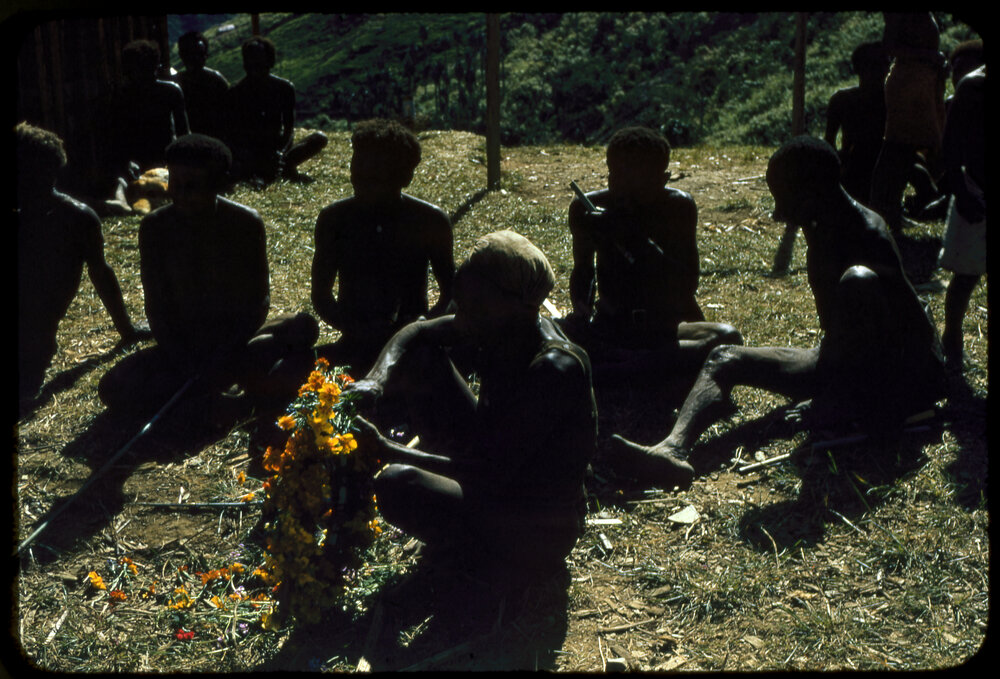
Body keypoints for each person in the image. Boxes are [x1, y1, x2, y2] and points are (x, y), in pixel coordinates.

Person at [611, 137, 947, 489]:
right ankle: (672, 449)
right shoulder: (821, 219)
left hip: (898, 377)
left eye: (782, 197)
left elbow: (901, 341)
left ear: (812, 190)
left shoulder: (865, 237)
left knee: (856, 282)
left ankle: (849, 402)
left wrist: (836, 401)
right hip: (841, 358)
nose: (776, 212)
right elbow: (843, 337)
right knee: (724, 357)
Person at [346, 231, 597, 574]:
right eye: (462, 305)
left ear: (512, 304)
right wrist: (376, 380)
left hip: (535, 529)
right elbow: (416, 332)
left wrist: (388, 451)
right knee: (422, 357)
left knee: (397, 484)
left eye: (473, 305)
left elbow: (490, 472)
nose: (461, 317)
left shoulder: (553, 369)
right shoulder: (498, 323)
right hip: (492, 470)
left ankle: (475, 560)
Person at [98, 134, 318, 416]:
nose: (182, 194)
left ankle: (214, 397)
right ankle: (220, 398)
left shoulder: (245, 223)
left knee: (302, 327)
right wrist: (183, 356)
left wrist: (225, 350)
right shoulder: (155, 227)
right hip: (183, 348)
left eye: (193, 186)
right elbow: (156, 305)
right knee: (112, 387)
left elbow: (258, 300)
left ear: (219, 184)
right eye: (176, 184)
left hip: (237, 342)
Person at [560, 126, 740, 389]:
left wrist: (632, 237)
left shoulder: (678, 208)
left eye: (640, 183)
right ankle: (642, 367)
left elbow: (686, 286)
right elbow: (583, 271)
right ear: (610, 173)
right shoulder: (587, 210)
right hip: (611, 328)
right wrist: (581, 308)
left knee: (727, 338)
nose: (627, 192)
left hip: (664, 330)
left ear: (662, 178)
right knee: (550, 333)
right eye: (618, 178)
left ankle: (620, 369)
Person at [17, 122, 150, 409]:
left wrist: (126, 330)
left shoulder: (77, 219)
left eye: (30, 177)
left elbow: (101, 274)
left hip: (34, 331)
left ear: (51, 173)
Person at [311, 119, 454, 375]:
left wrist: (418, 327)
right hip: (354, 342)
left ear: (404, 177)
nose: (360, 181)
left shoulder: (429, 221)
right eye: (357, 169)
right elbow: (321, 297)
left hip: (412, 345)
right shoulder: (335, 220)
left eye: (374, 177)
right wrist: (354, 328)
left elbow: (450, 295)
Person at [869, 12, 947, 234]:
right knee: (897, 148)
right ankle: (885, 216)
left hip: (920, 80)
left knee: (906, 152)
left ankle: (891, 213)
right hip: (908, 82)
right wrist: (929, 57)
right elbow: (890, 47)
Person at [226, 36, 327, 185]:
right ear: (245, 63)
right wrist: (250, 156)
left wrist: (281, 153)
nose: (255, 68)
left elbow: (289, 129)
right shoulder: (236, 92)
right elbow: (232, 135)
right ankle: (277, 170)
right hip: (250, 154)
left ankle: (280, 167)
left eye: (260, 62)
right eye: (251, 62)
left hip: (277, 149)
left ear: (269, 61)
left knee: (319, 138)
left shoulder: (284, 89)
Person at [938, 63, 985, 371]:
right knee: (967, 274)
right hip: (977, 189)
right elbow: (951, 148)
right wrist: (962, 192)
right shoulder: (972, 86)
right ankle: (952, 338)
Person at [107, 39, 189, 178]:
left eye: (149, 69)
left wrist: (182, 162)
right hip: (135, 164)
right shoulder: (122, 96)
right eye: (140, 69)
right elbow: (117, 137)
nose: (146, 75)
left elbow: (184, 133)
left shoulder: (171, 91)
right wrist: (125, 163)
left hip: (167, 160)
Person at [824, 42, 891, 205]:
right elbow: (829, 142)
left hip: (884, 165)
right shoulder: (842, 100)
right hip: (852, 166)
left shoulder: (892, 100)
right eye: (872, 66)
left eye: (882, 65)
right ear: (859, 69)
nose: (878, 71)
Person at [175, 31, 230, 142]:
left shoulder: (216, 80)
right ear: (182, 55)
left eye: (199, 54)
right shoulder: (175, 85)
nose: (195, 59)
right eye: (190, 54)